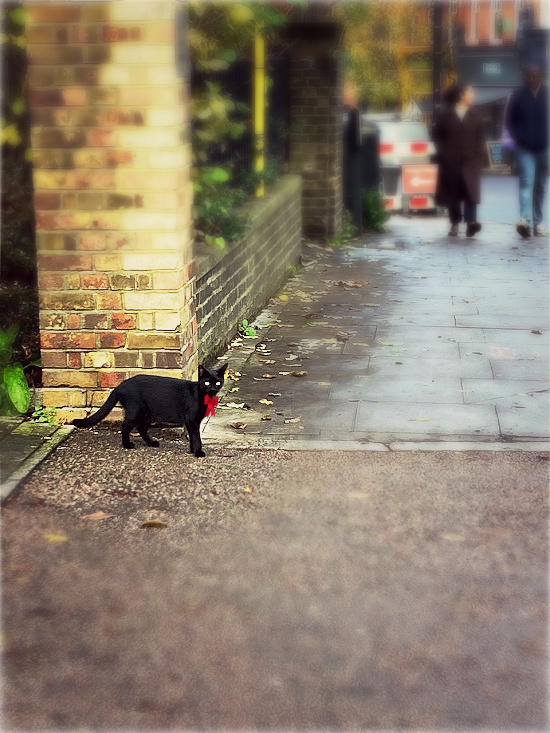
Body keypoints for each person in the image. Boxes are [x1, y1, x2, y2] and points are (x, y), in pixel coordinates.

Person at [432, 83, 486, 237]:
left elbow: (480, 136)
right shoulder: (446, 115)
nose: (473, 95)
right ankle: (454, 223)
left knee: (471, 192)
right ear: (462, 95)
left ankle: (471, 223)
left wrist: (478, 154)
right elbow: (437, 136)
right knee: (453, 193)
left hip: (471, 160)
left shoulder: (476, 115)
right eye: (471, 92)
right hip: (451, 161)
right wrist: (442, 151)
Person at [505, 65, 549, 238]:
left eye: (535, 75)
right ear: (524, 77)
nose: (532, 78)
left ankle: (538, 223)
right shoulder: (517, 96)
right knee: (527, 182)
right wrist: (519, 139)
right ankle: (525, 220)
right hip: (524, 148)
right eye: (529, 76)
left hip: (545, 148)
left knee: (540, 186)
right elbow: (510, 121)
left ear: (541, 76)